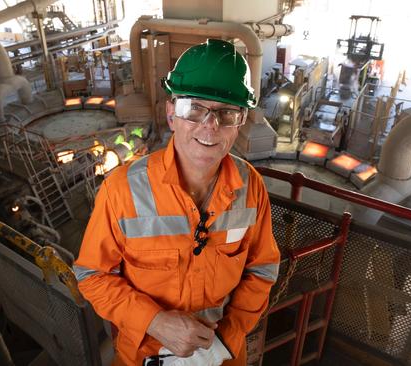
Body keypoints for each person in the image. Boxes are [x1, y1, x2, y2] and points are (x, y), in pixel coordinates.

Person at [74, 39, 280, 366]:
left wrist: (230, 333)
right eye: (194, 108)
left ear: (240, 123)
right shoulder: (122, 190)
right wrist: (154, 320)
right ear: (172, 114)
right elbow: (91, 275)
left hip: (222, 355)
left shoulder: (250, 187)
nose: (210, 125)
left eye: (227, 112)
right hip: (144, 355)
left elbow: (263, 268)